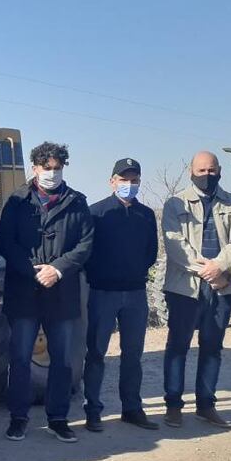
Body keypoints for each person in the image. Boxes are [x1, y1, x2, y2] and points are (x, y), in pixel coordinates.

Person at [0, 141, 94, 443]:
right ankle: (19, 418)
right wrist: (33, 271)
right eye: (46, 167)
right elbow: (5, 242)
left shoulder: (77, 202)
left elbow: (86, 244)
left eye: (57, 167)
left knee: (62, 360)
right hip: (25, 291)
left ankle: (58, 418)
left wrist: (58, 269)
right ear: (35, 168)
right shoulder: (16, 201)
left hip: (61, 292)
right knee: (21, 358)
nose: (52, 173)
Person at [161, 150, 231, 429]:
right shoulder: (176, 203)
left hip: (223, 287)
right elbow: (174, 242)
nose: (206, 176)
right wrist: (207, 271)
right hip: (185, 287)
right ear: (191, 172)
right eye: (201, 171)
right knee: (177, 346)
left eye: (211, 171)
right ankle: (174, 405)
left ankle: (206, 405)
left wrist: (220, 266)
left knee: (212, 347)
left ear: (220, 171)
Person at [82, 158, 159, 432]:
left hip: (136, 294)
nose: (129, 184)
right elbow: (86, 253)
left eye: (134, 180)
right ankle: (92, 410)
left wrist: (133, 273)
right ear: (112, 181)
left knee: (132, 355)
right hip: (103, 293)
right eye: (123, 179)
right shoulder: (96, 213)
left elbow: (151, 253)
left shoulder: (146, 215)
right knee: (96, 354)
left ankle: (132, 409)